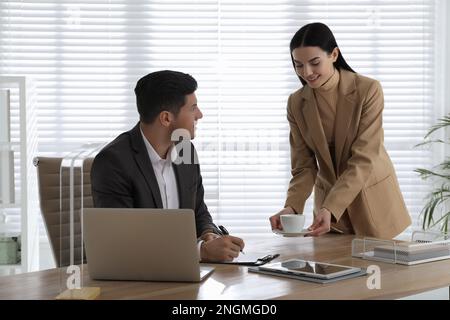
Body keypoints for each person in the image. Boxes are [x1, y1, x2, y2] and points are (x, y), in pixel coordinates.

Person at [269, 23, 411, 239]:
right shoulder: (296, 103)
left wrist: (331, 207)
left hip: (372, 202)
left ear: (334, 54)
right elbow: (303, 167)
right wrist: (292, 207)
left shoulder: (368, 90)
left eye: (314, 62)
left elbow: (364, 158)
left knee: (379, 271)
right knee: (330, 269)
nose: (306, 72)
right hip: (328, 215)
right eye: (298, 65)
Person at [91, 70, 245, 261]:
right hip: (137, 281)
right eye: (193, 108)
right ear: (166, 118)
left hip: (184, 275)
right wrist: (200, 252)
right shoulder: (113, 163)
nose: (200, 114)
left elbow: (198, 210)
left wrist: (208, 235)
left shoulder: (185, 150)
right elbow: (123, 242)